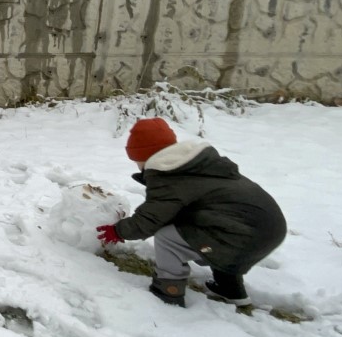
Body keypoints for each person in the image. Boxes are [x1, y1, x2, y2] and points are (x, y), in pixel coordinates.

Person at [96, 118, 286, 308]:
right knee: (206, 230)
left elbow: (151, 218)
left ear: (144, 156)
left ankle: (168, 292)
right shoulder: (195, 165)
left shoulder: (168, 175)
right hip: (269, 229)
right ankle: (230, 289)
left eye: (136, 159)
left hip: (243, 235)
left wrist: (118, 231)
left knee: (168, 238)